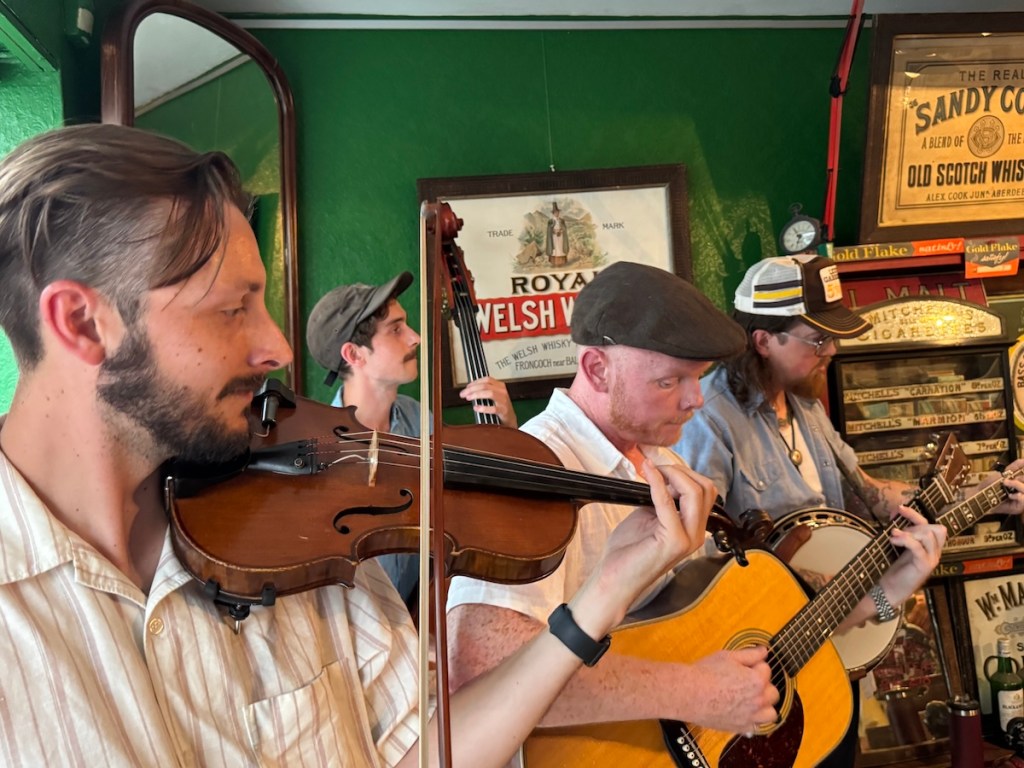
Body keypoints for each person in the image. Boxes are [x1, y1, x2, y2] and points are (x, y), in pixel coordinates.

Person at [0, 123, 723, 768]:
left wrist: (602, 596)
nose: (278, 348)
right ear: (82, 324)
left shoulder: (305, 530)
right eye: (231, 309)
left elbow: (424, 750)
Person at [673, 252, 1024, 764]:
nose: (832, 351)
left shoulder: (805, 407)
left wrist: (982, 493)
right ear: (763, 340)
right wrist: (797, 582)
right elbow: (696, 558)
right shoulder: (710, 420)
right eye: (818, 340)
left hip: (830, 650)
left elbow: (869, 491)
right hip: (766, 667)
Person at [447, 261, 782, 744]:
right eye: (669, 381)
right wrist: (693, 692)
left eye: (698, 378)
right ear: (598, 370)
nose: (696, 400)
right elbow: (480, 671)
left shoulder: (660, 459)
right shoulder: (535, 470)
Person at [306, 273, 517, 606]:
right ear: (354, 354)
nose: (415, 338)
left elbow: (471, 500)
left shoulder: (417, 418)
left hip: (419, 616)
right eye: (395, 329)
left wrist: (505, 429)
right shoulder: (320, 450)